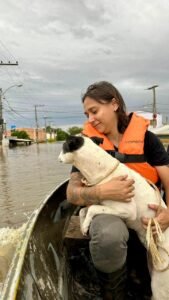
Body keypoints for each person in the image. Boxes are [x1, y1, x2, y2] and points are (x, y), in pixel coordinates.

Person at [66, 81, 169, 300]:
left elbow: (168, 181)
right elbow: (72, 193)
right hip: (109, 215)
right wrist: (102, 193)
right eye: (86, 114)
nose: (90, 119)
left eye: (94, 111)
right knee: (108, 236)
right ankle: (114, 293)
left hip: (146, 216)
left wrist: (168, 213)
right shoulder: (87, 146)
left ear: (114, 104)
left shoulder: (148, 139)